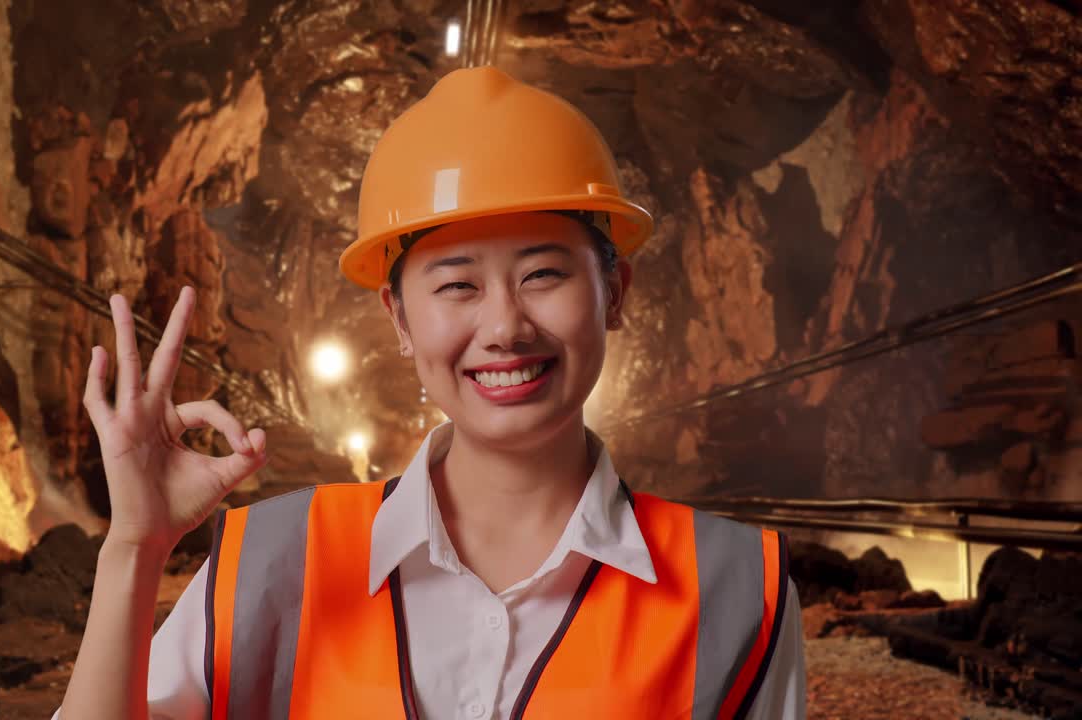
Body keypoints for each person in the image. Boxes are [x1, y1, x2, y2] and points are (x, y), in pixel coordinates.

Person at [53, 66, 805, 720]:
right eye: (457, 286)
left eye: (544, 274)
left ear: (614, 291)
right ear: (399, 318)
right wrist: (134, 549)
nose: (505, 326)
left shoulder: (740, 590)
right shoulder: (270, 562)